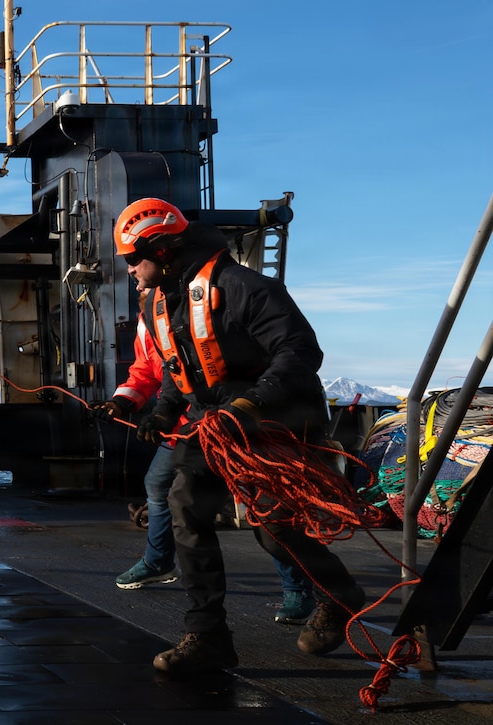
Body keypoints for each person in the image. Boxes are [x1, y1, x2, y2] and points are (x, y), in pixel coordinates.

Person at [113, 197, 364, 675]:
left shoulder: (243, 287)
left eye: (132, 259)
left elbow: (300, 350)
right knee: (185, 507)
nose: (129, 270)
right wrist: (162, 412)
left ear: (162, 251)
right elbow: (176, 370)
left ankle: (340, 595)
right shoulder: (160, 305)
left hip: (275, 421)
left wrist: (248, 406)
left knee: (274, 529)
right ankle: (207, 636)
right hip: (213, 423)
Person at [95, 299, 317, 626]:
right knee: (160, 485)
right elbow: (149, 368)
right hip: (188, 427)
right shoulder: (150, 318)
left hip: (236, 425)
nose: (132, 272)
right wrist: (121, 402)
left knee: (263, 506)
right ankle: (159, 563)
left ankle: (298, 588)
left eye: (135, 262)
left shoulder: (212, 305)